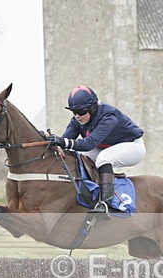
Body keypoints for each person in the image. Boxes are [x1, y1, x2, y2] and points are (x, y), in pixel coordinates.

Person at [49, 85, 145, 214]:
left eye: (81, 112)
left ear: (92, 108)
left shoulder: (109, 116)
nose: (77, 116)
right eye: (74, 112)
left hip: (133, 146)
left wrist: (62, 142)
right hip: (105, 146)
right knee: (78, 157)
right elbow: (65, 140)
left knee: (104, 158)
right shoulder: (77, 120)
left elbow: (89, 143)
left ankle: (106, 203)